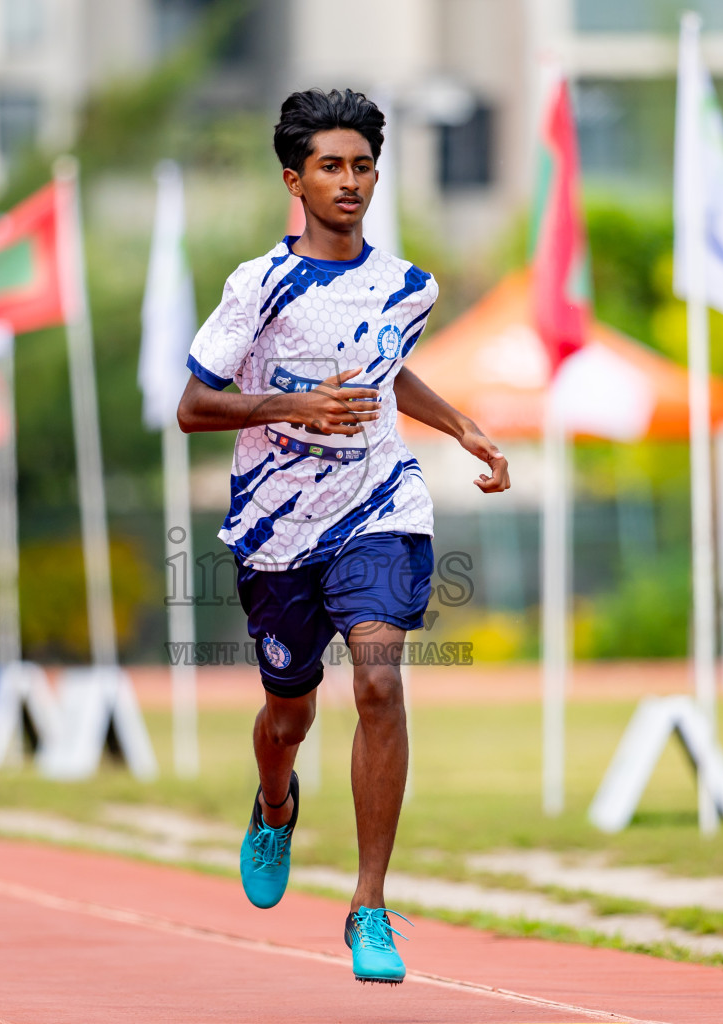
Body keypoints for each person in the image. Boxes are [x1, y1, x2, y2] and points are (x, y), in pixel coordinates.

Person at [177, 88, 510, 985]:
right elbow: (193, 406)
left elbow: (387, 373)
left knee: (377, 682)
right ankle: (275, 804)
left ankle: (370, 906)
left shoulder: (408, 286)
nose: (350, 181)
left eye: (363, 165)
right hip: (277, 526)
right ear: (295, 178)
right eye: (331, 165)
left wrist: (461, 426)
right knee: (288, 713)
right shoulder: (258, 286)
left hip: (380, 503)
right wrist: (293, 403)